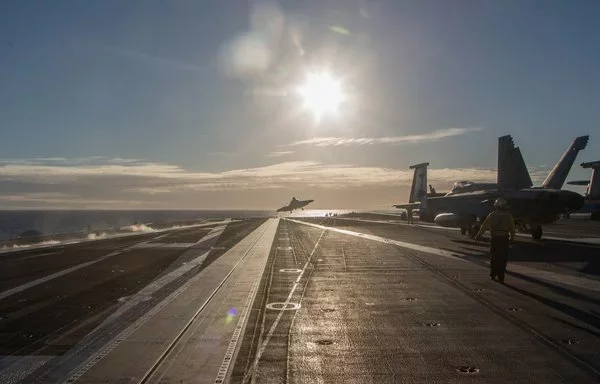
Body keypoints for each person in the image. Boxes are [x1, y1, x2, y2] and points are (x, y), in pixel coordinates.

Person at [474, 198, 516, 283]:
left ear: (496, 206)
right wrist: (512, 239)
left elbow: (484, 226)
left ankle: (493, 274)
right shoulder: (508, 215)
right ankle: (501, 277)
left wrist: (478, 236)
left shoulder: (492, 214)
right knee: (503, 259)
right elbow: (512, 228)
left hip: (494, 239)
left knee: (494, 257)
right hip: (504, 239)